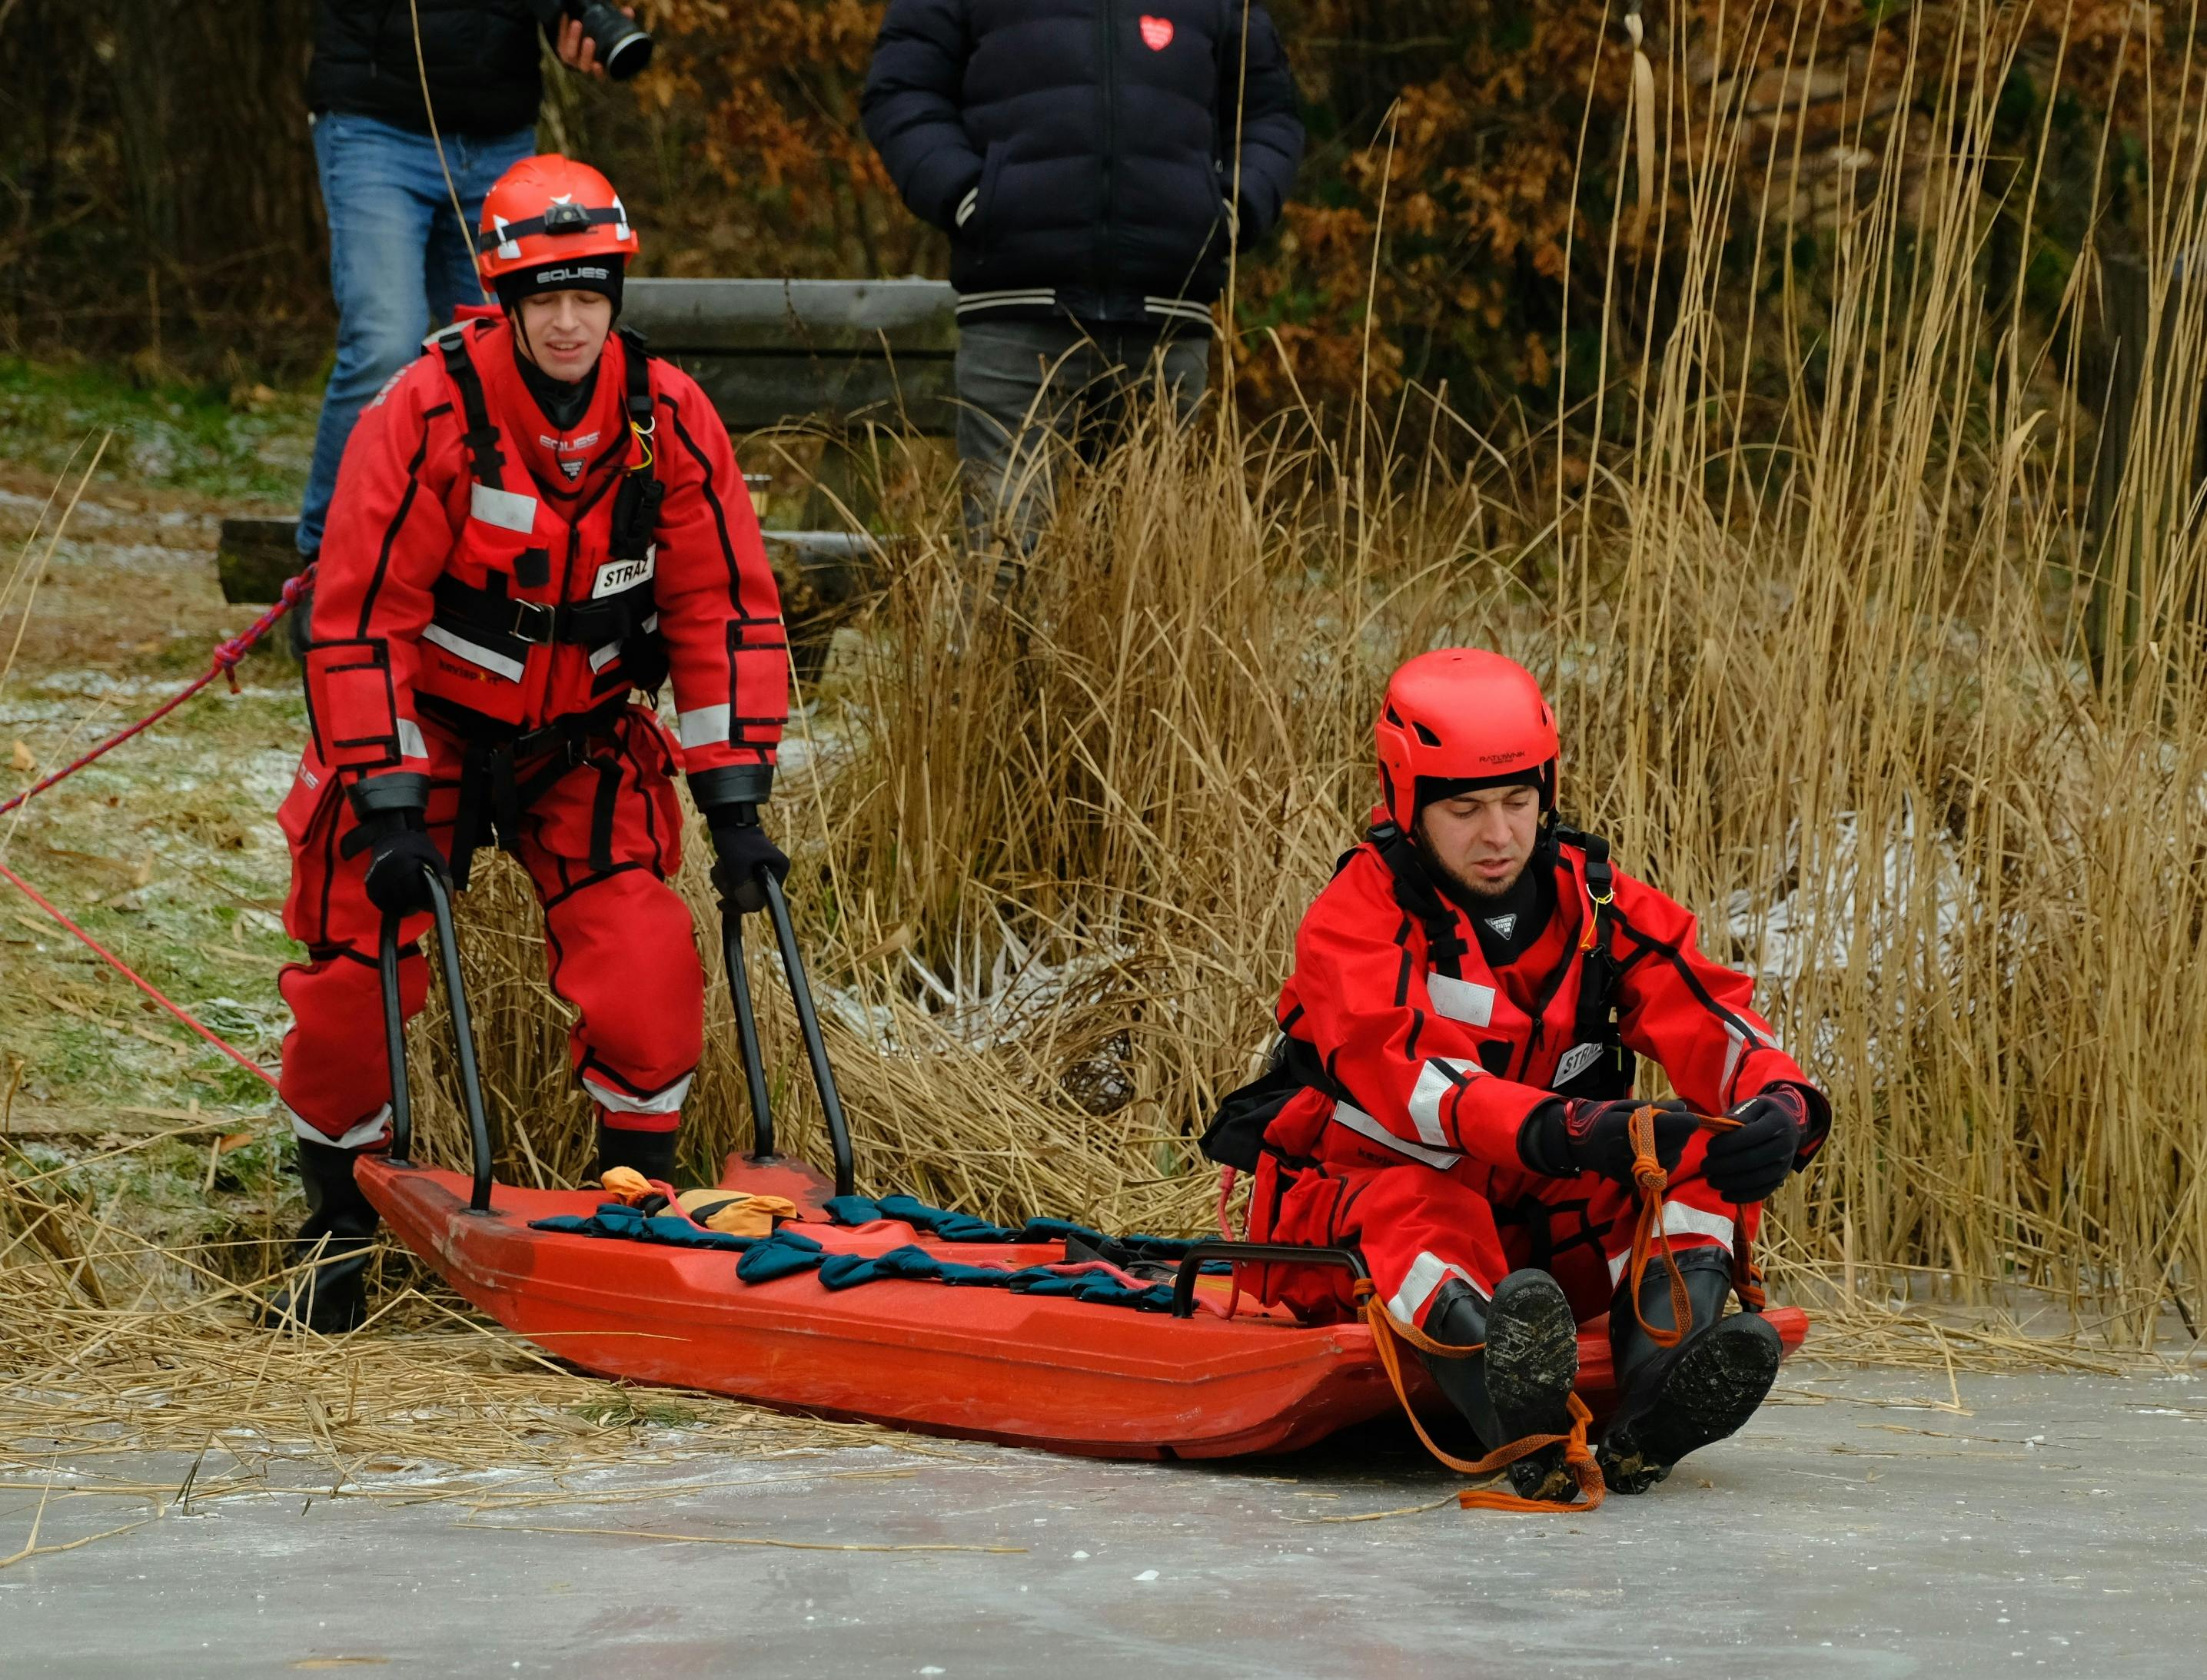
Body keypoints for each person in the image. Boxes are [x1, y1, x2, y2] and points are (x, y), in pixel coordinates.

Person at [265, 154, 790, 1332]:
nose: (566, 319)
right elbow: (357, 616)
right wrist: (389, 806)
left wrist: (736, 806)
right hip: (429, 742)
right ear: (504, 298)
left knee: (648, 972)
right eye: (542, 295)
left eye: (588, 293)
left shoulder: (669, 417)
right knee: (355, 983)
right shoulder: (428, 408)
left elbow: (723, 611)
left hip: (584, 744)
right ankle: (336, 1232)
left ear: (614, 295)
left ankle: (633, 1216)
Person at [1203, 649, 1831, 1499]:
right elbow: (1413, 1081)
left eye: (1517, 802)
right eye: (1464, 808)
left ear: (1547, 793)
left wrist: (1784, 1106)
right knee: (1420, 1202)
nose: (1498, 835)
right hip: (1353, 1216)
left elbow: (1709, 1013)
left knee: (1691, 1158)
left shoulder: (1597, 906)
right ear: (1405, 801)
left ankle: (1656, 1401)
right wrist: (1576, 1130)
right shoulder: (1354, 920)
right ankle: (1515, 1421)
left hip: (1528, 1225)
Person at [860, 0, 1303, 550]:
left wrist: (1232, 210)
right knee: (1000, 564)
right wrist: (969, 199)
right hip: (1016, 310)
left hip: (1165, 316)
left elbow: (1269, 111)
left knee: (1143, 583)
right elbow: (901, 90)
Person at [296, 2, 636, 584]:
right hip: (374, 123)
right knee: (385, 338)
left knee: (508, 338)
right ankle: (329, 564)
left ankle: (505, 551)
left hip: (499, 131)